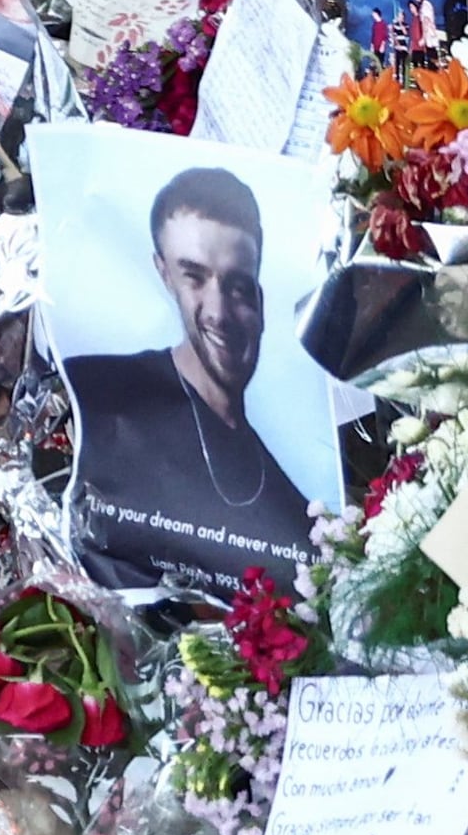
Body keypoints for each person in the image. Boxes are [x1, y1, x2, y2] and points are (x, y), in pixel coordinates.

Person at [63, 164, 314, 585]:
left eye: (238, 287)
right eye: (193, 278)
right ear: (163, 274)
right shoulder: (92, 395)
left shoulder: (299, 514)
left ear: (261, 300)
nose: (218, 313)